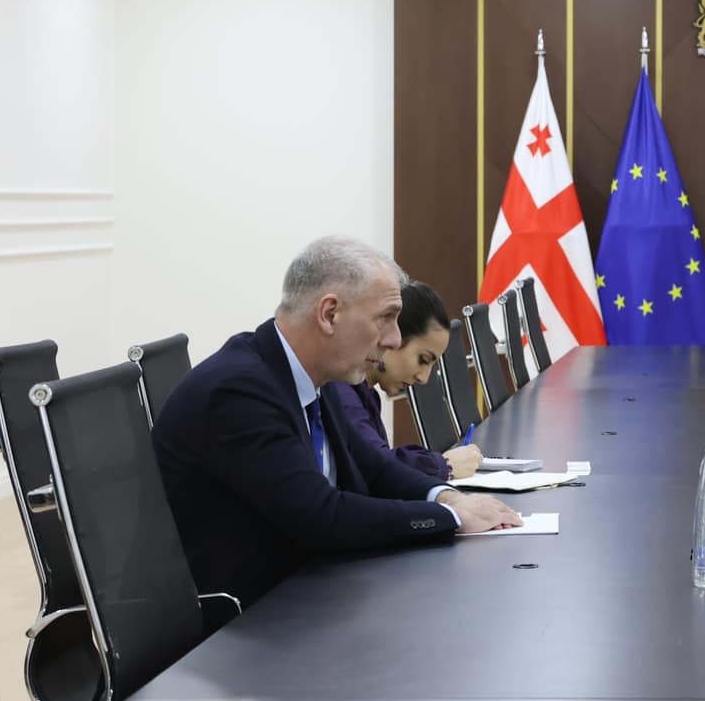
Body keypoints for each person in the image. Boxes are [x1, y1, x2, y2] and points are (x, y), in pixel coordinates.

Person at [155, 236, 521, 615]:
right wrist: (452, 519)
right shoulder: (237, 391)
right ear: (330, 314)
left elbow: (374, 469)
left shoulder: (317, 376)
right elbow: (321, 517)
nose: (394, 339)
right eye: (386, 318)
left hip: (310, 591)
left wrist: (448, 498)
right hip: (248, 619)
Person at [326, 279, 483, 480]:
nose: (423, 378)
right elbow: (379, 467)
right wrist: (445, 466)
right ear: (393, 336)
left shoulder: (367, 394)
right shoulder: (341, 391)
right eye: (423, 360)